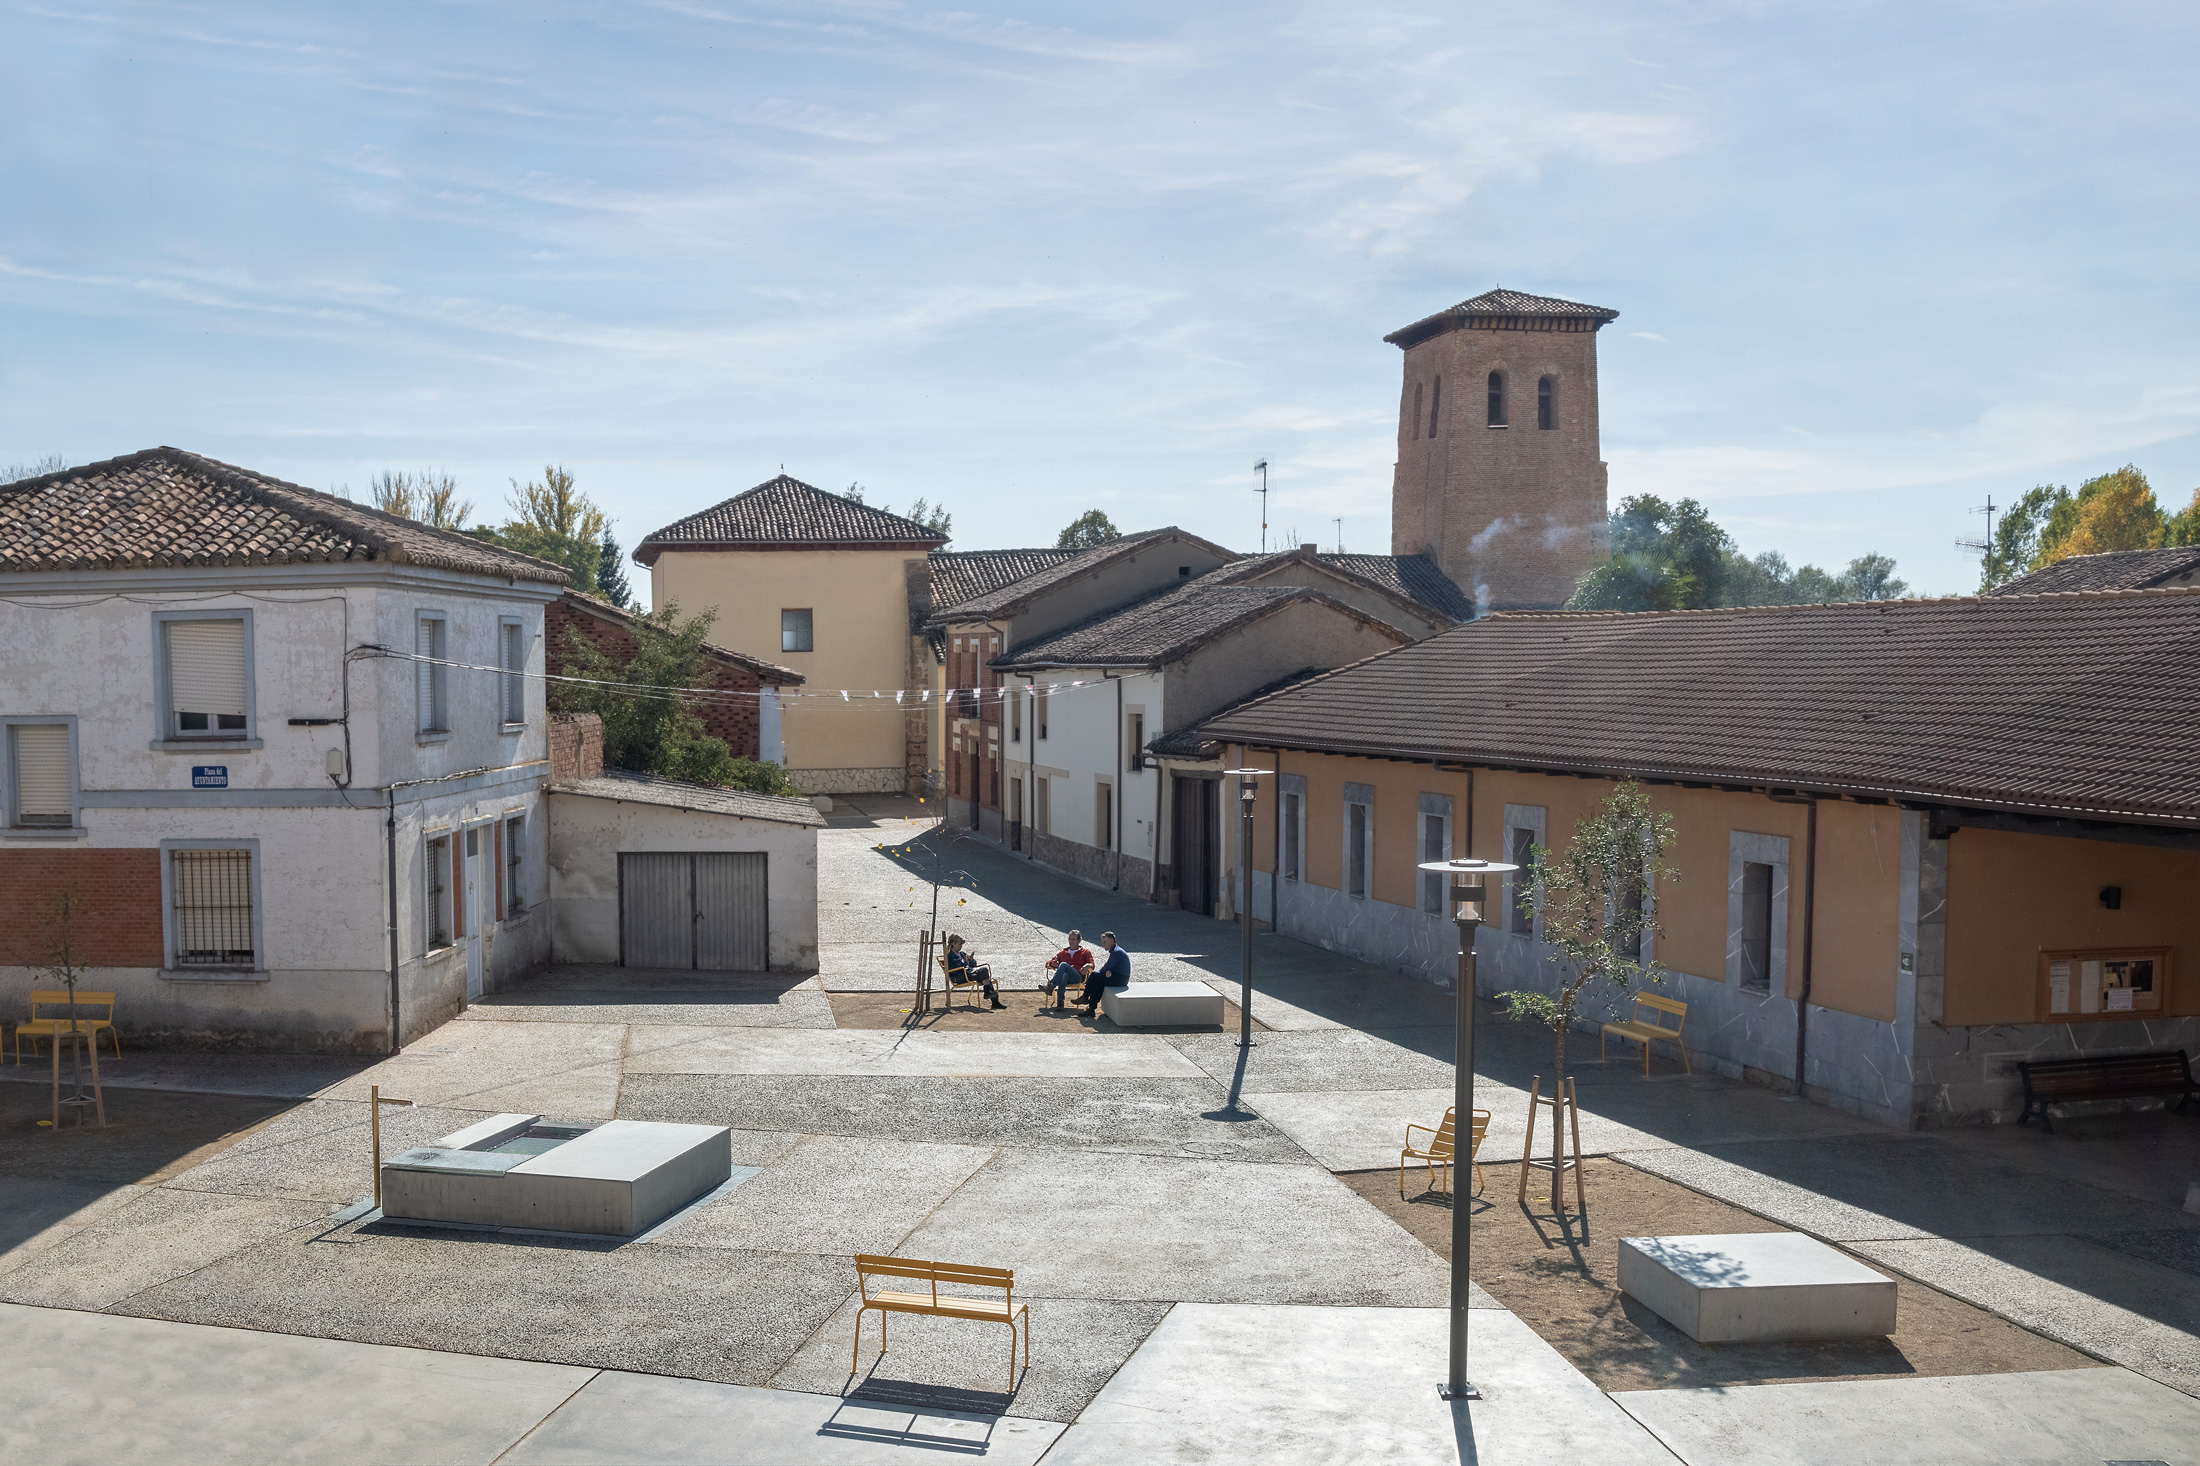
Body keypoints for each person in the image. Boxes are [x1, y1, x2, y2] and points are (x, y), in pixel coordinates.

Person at [942, 934, 1004, 1010]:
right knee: (984, 973)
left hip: (968, 973)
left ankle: (990, 996)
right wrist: (965, 962)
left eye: (961, 944)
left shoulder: (962, 954)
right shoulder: (949, 956)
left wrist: (971, 960)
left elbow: (973, 966)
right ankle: (992, 999)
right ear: (953, 944)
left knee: (985, 976)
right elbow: (953, 970)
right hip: (960, 977)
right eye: (959, 944)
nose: (961, 946)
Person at [1077, 931, 1129, 1016]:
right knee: (1098, 982)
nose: (1103, 944)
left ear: (1112, 941)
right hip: (1118, 976)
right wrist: (1109, 972)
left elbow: (1107, 967)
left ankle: (1085, 997)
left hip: (1121, 979)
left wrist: (1102, 973)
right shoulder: (1116, 951)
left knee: (1094, 976)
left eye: (1105, 942)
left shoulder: (1116, 952)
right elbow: (1111, 967)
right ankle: (1091, 1009)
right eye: (1102, 942)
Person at [1043, 929, 1093, 1011]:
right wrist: (1052, 964)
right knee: (1064, 975)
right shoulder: (1063, 953)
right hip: (1066, 979)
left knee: (1063, 965)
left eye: (1074, 939)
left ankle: (1051, 986)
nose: (1071, 941)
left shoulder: (1085, 952)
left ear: (1079, 940)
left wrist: (1088, 965)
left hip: (1078, 977)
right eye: (1070, 939)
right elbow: (1048, 963)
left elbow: (1092, 964)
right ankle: (1060, 1003)